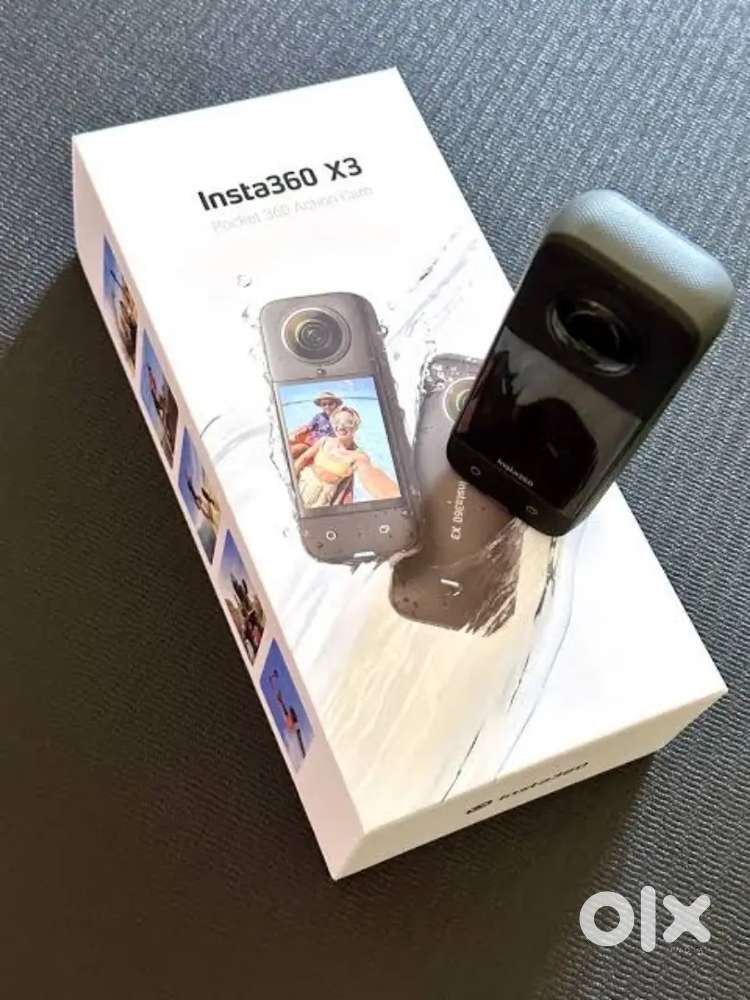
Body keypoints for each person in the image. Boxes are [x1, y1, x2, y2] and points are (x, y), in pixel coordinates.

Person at [294, 405, 399, 507]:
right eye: (337, 422)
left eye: (348, 422)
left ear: (356, 426)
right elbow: (303, 459)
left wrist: (396, 498)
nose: (341, 427)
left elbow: (372, 476)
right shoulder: (324, 441)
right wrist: (291, 481)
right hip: (303, 481)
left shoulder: (358, 456)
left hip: (321, 498)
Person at [288, 391, 341, 458]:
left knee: (300, 452)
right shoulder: (319, 416)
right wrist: (298, 431)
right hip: (312, 443)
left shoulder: (340, 417)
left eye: (330, 404)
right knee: (292, 448)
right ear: (321, 406)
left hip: (325, 446)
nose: (327, 406)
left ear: (336, 405)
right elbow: (309, 426)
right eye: (324, 404)